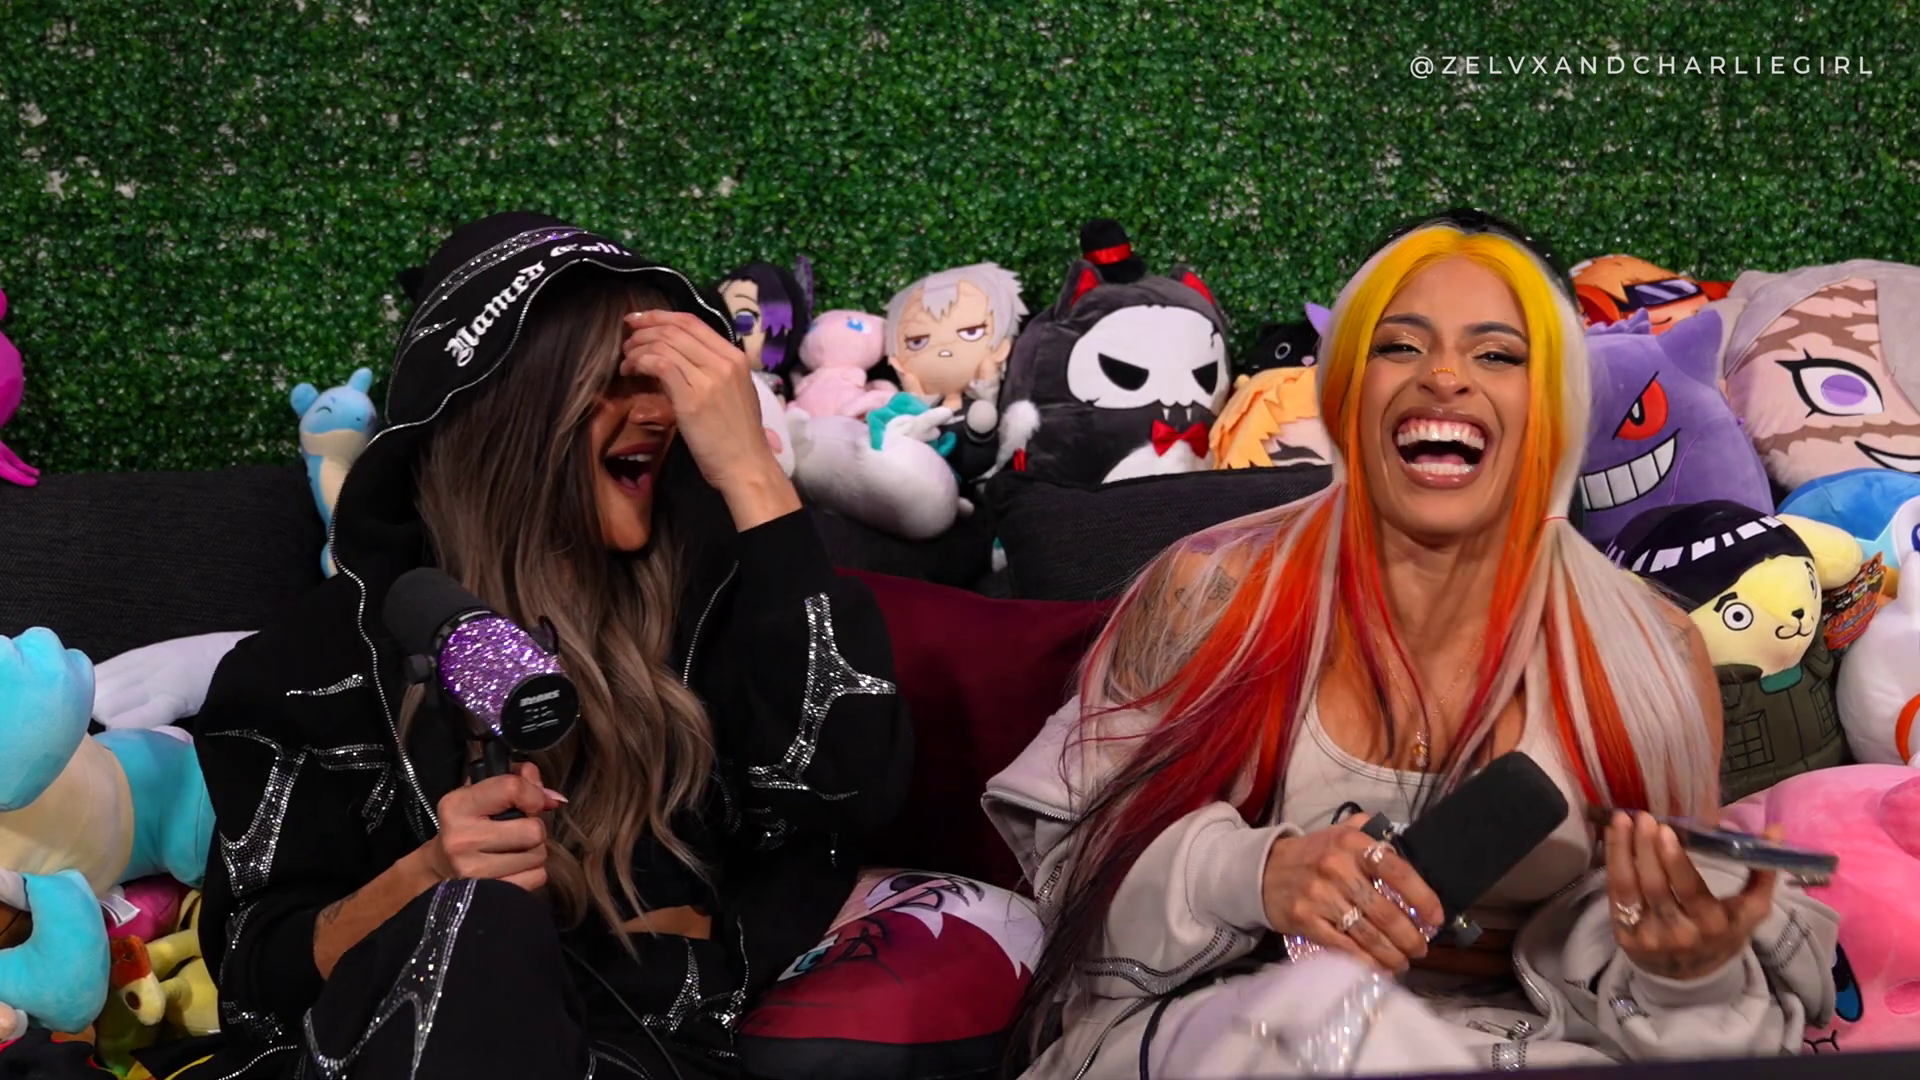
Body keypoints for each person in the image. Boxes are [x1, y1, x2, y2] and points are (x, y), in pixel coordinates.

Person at [984, 210, 1838, 1076]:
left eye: (1498, 355)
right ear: (1345, 389)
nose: (1444, 376)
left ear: (1554, 407)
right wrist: (1257, 875)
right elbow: (1073, 866)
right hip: (1236, 1034)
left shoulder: (1654, 652)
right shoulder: (1210, 594)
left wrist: (1682, 972)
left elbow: (1664, 953)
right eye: (1400, 346)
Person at [193, 213, 913, 1080]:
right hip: (423, 1048)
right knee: (484, 932)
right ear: (511, 413)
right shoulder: (325, 659)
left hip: (669, 1052)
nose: (659, 414)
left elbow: (852, 789)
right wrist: (427, 878)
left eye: (668, 386)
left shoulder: (721, 597)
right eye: (615, 383)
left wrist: (752, 475)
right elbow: (253, 981)